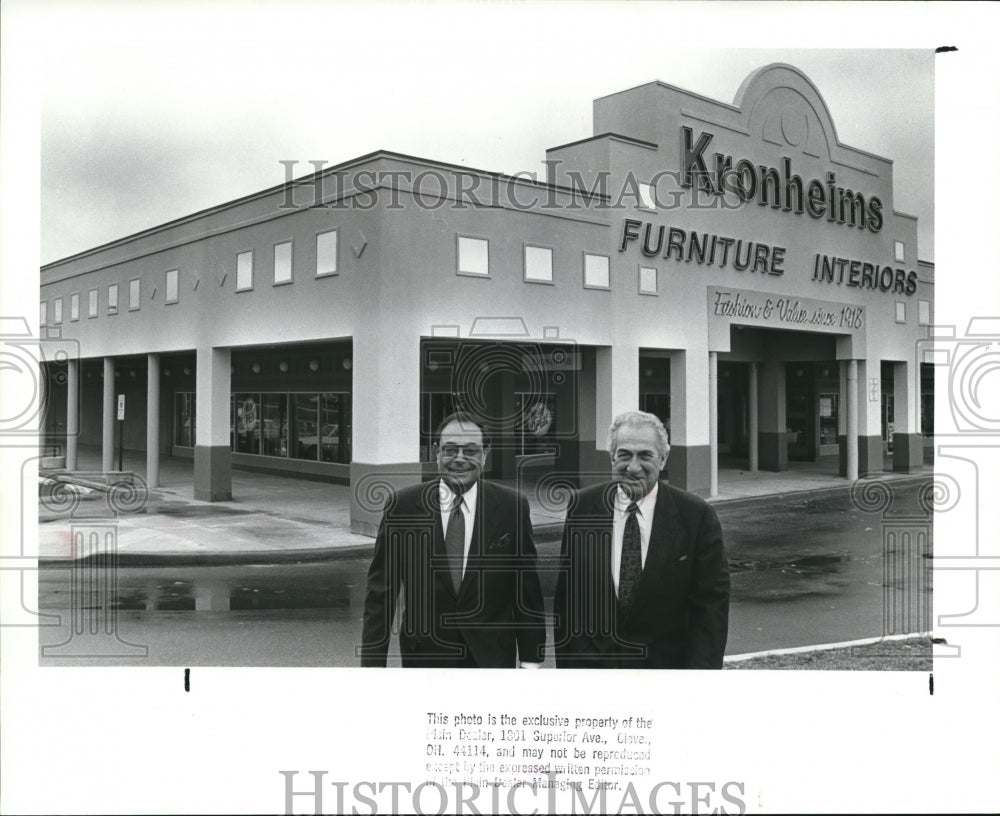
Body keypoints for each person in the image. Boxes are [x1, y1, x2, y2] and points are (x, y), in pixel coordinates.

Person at [360, 412, 546, 668]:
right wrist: (372, 668)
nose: (460, 459)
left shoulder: (511, 507)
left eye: (470, 451)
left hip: (491, 660)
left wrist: (530, 660)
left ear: (485, 454)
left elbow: (526, 591)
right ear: (436, 452)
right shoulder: (402, 507)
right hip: (425, 660)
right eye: (450, 450)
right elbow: (381, 594)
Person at [554, 410, 729, 669]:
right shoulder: (582, 506)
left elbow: (711, 609)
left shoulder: (696, 516)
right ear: (611, 457)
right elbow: (568, 597)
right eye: (624, 454)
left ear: (663, 459)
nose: (633, 467)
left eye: (645, 455)